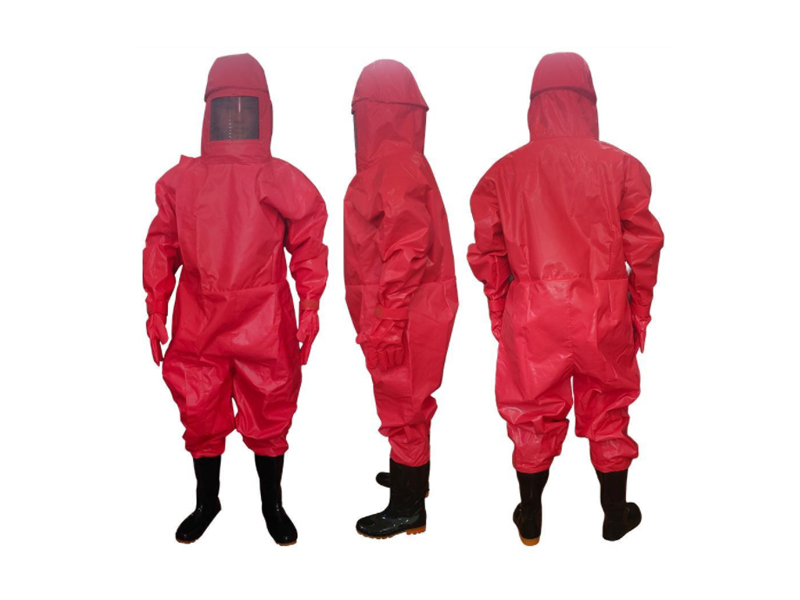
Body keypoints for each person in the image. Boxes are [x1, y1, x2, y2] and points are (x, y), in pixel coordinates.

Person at [467, 52, 663, 545]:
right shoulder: (622, 166)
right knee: (609, 405)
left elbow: (488, 253)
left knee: (530, 411)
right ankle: (614, 515)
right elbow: (644, 248)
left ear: (534, 105)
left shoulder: (502, 174)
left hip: (533, 310)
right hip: (604, 308)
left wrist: (500, 311)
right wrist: (639, 311)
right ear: (589, 102)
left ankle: (530, 515)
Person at [143, 53, 328, 546]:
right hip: (199, 318)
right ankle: (208, 501)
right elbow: (162, 246)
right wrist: (155, 307)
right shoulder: (183, 181)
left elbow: (309, 241)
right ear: (210, 112)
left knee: (271, 405)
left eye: (245, 107)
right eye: (228, 107)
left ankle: (272, 504)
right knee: (199, 408)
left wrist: (310, 304)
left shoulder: (277, 177)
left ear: (262, 111)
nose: (236, 117)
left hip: (262, 318)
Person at [344, 60, 458, 539]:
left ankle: (408, 509)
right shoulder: (403, 164)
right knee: (408, 401)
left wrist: (388, 320)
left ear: (373, 112)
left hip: (403, 311)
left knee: (403, 404)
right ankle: (411, 478)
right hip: (406, 306)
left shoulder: (392, 167)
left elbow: (408, 246)